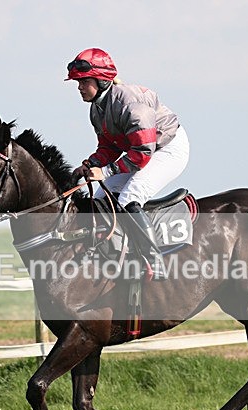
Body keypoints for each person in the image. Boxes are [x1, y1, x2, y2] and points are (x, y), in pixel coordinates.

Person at [66, 47, 190, 279]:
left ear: (102, 81)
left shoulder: (130, 103)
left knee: (130, 197)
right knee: (99, 199)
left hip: (167, 148)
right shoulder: (97, 109)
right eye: (77, 83)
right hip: (141, 150)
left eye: (83, 81)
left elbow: (143, 151)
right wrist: (90, 164)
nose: (79, 88)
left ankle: (155, 261)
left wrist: (106, 171)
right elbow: (109, 147)